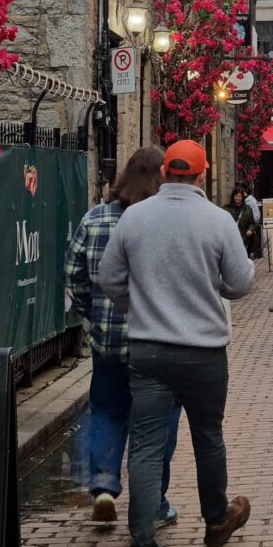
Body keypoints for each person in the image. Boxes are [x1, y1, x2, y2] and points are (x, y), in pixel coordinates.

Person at [98, 140, 255, 547]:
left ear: (166, 172)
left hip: (149, 350)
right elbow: (240, 283)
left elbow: (109, 277)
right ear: (202, 175)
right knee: (208, 436)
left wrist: (140, 305)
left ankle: (143, 538)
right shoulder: (218, 220)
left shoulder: (134, 218)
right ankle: (217, 520)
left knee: (146, 444)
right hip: (204, 351)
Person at [64, 146, 181, 526]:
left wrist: (93, 316)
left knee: (108, 412)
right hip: (157, 342)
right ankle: (154, 501)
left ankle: (103, 485)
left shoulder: (94, 219)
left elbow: (74, 276)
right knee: (157, 424)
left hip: (109, 343)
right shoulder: (165, 222)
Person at [225, 186, 258, 254]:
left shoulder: (247, 209)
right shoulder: (226, 209)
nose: (238, 198)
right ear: (233, 196)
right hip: (230, 239)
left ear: (242, 197)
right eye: (236, 196)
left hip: (243, 239)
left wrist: (250, 230)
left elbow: (252, 223)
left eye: (240, 196)